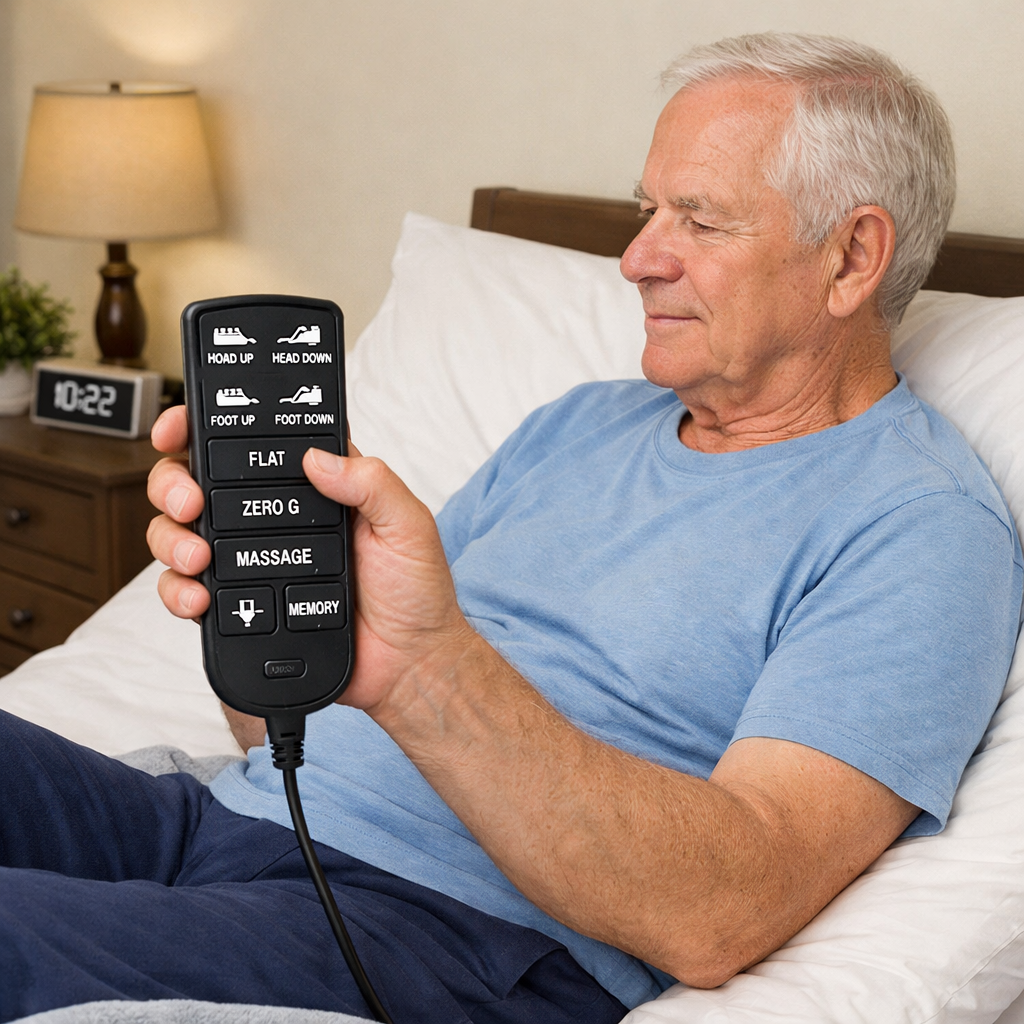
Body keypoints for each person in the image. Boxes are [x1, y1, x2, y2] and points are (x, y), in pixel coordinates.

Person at [3, 31, 1022, 1024]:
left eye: (699, 222)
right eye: (645, 210)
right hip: (219, 817)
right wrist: (268, 609)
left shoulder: (920, 529)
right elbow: (312, 719)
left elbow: (726, 911)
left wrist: (426, 671)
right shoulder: (578, 423)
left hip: (431, 935)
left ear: (851, 256)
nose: (634, 258)